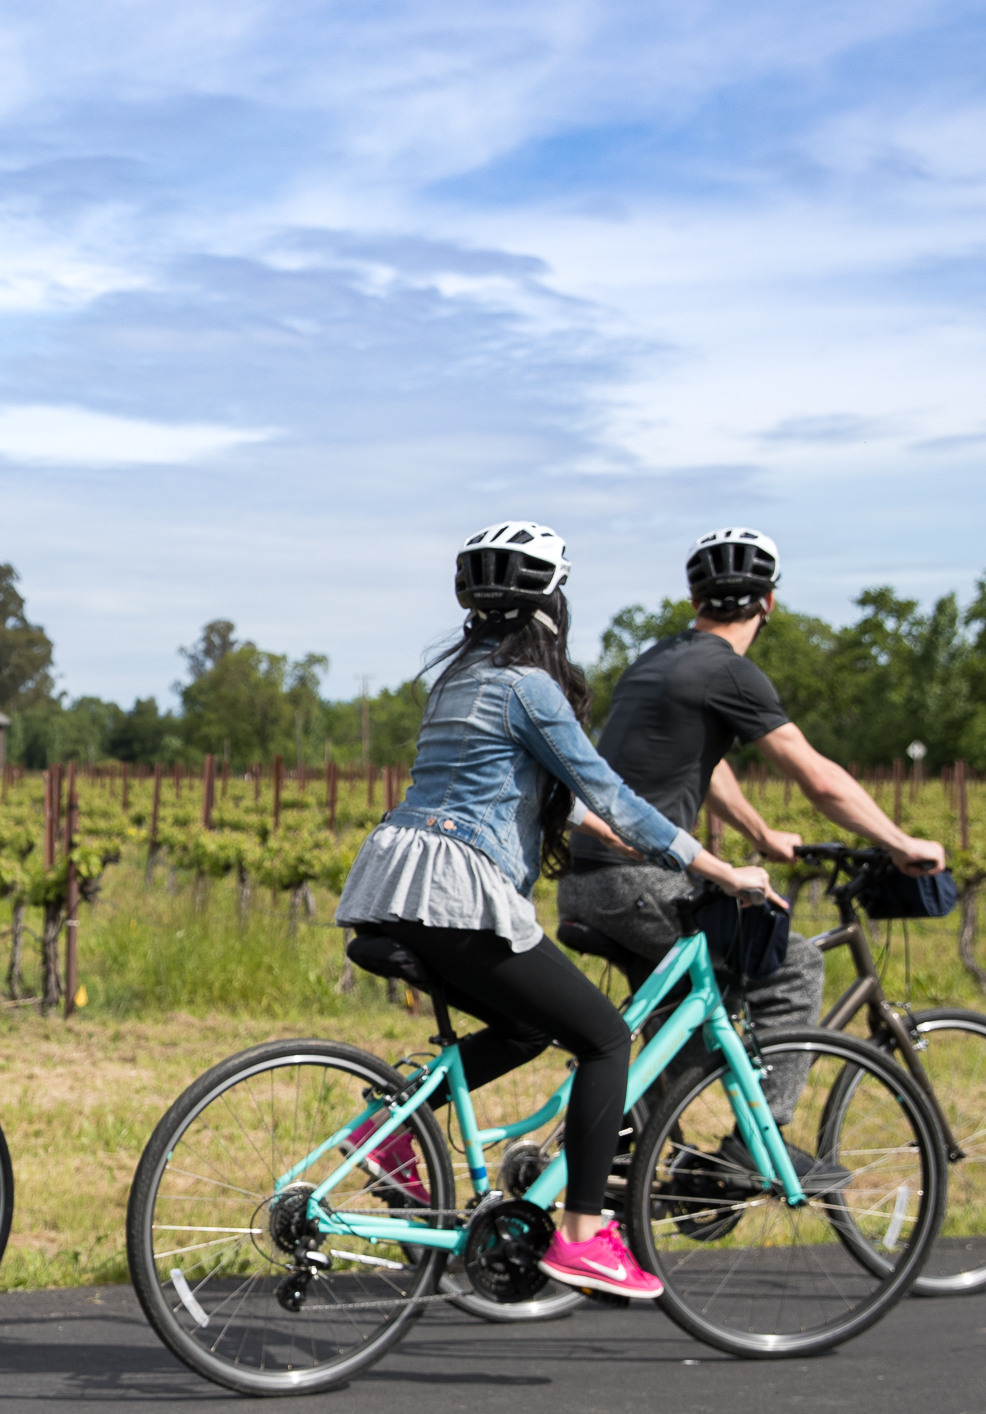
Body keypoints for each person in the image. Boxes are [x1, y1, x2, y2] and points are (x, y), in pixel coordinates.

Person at [337, 522, 774, 1301]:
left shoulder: (459, 679)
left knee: (527, 1026)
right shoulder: (528, 687)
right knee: (606, 1039)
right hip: (459, 893)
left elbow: (564, 805)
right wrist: (717, 867)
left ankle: (388, 1129)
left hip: (389, 884)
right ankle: (581, 1238)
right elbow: (609, 792)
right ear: (551, 601)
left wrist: (645, 844)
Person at [557, 527, 948, 1145]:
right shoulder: (729, 671)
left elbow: (697, 765)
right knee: (793, 966)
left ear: (696, 601)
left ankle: (640, 1151)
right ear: (769, 602)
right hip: (638, 879)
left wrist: (760, 830)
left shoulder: (658, 660)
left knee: (681, 1021)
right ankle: (754, 1148)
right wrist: (902, 843)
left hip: (592, 880)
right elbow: (818, 779)